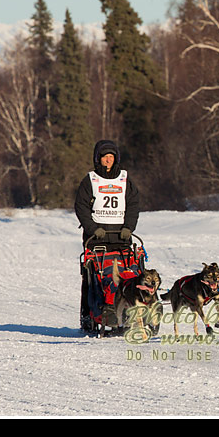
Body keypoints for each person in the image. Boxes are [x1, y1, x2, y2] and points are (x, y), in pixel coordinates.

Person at [75, 140, 140, 332]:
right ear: (98, 159)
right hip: (97, 239)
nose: (108, 160)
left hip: (121, 239)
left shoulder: (125, 179)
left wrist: (129, 227)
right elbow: (81, 207)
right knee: (92, 278)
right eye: (105, 157)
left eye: (111, 157)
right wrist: (93, 228)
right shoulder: (90, 180)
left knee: (129, 274)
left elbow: (133, 205)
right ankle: (89, 315)